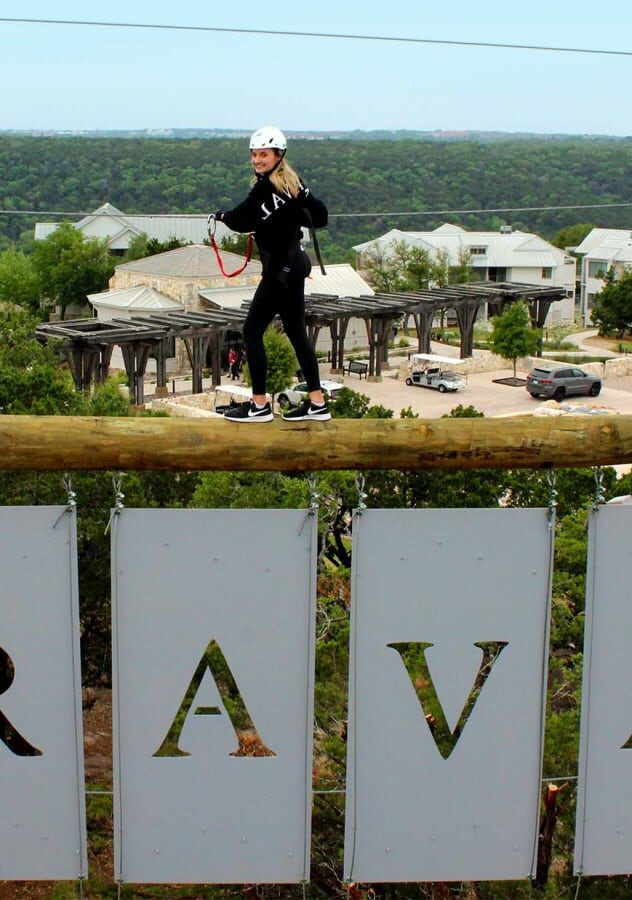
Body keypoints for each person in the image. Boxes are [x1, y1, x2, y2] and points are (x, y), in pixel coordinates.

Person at [214, 126, 330, 423]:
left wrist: (221, 216)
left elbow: (241, 219)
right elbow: (318, 217)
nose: (257, 159)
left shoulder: (270, 187)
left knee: (252, 330)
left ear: (279, 155)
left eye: (263, 154)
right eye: (254, 154)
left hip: (280, 271)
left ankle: (259, 405)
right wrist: (304, 195)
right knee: (296, 332)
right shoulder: (291, 184)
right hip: (294, 266)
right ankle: (317, 402)